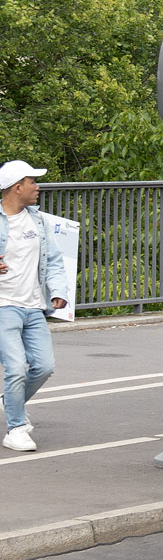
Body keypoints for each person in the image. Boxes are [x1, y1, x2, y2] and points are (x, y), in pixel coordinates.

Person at [0, 160, 67, 453]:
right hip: (3, 306)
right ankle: (15, 428)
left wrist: (59, 291)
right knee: (15, 368)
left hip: (34, 307)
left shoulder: (37, 221)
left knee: (44, 366)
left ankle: (10, 400)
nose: (37, 187)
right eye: (32, 182)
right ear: (17, 188)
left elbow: (53, 260)